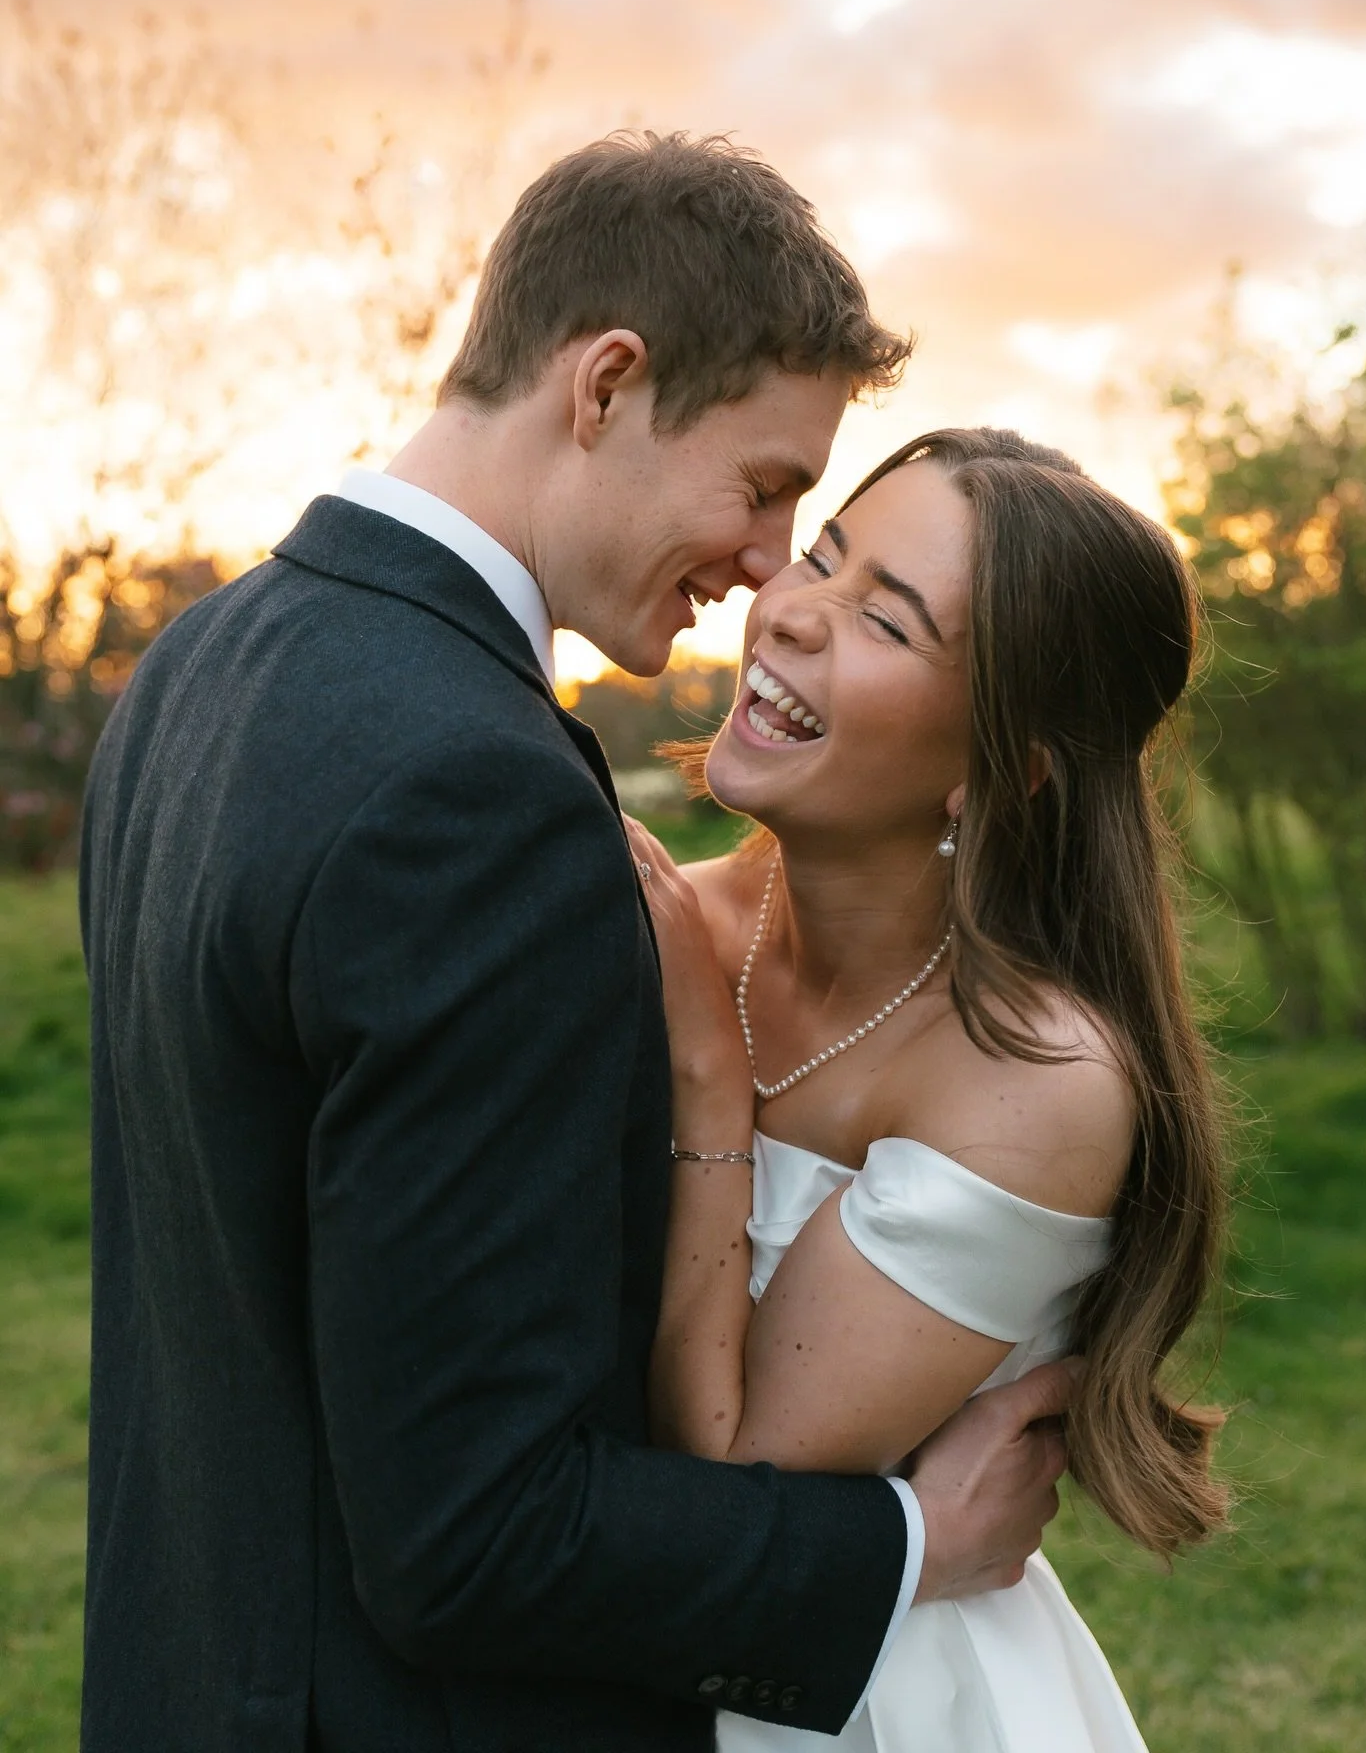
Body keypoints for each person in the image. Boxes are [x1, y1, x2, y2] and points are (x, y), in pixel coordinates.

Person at [79, 136, 1082, 1753]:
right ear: (607, 383)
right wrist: (903, 1547)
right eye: (766, 486)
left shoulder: (199, 666)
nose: (768, 563)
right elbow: (475, 1538)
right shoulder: (472, 791)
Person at [626, 426, 1231, 1752]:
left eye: (887, 622)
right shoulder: (661, 923)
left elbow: (737, 1473)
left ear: (1002, 767)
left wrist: (709, 1089)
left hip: (874, 1705)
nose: (790, 613)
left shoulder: (1033, 1082)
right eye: (824, 559)